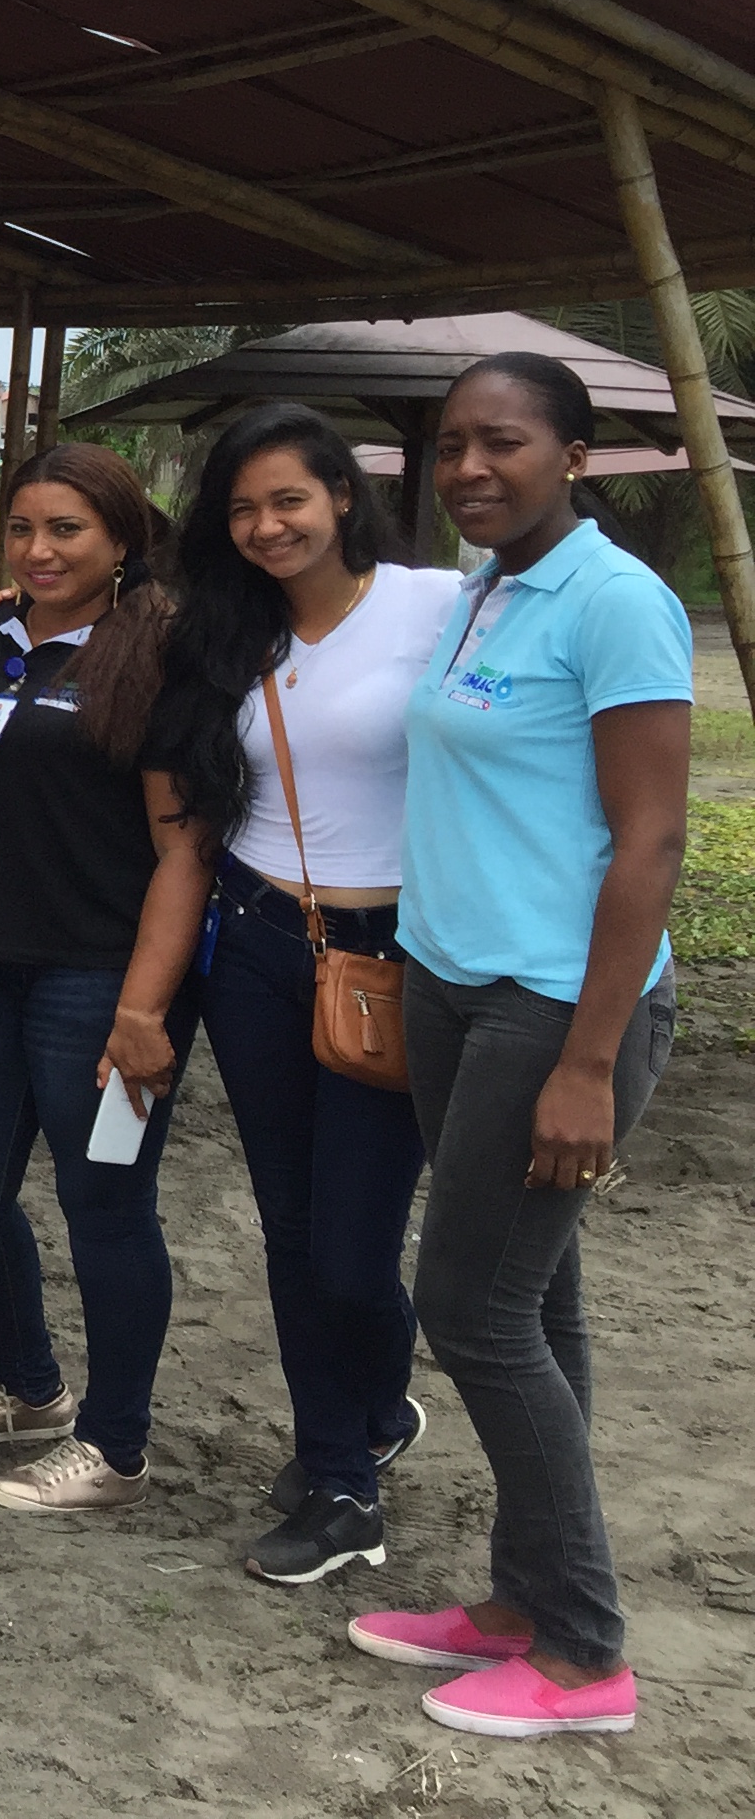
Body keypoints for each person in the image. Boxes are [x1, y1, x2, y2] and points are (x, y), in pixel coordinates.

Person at [347, 352, 686, 1741]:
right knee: (535, 1305)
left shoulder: (616, 601)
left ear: (576, 456)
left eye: (503, 444)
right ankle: (523, 1600)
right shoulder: (484, 587)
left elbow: (654, 839)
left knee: (472, 1310)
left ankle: (586, 1654)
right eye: (451, 449)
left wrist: (591, 1061)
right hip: (453, 982)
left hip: (556, 1002)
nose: (471, 469)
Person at [143, 404, 461, 1585]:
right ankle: (339, 1476)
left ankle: (376, 1399)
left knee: (352, 1247)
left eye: (288, 499)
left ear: (341, 493)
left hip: (398, 956)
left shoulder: (438, 606)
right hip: (263, 944)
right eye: (242, 509)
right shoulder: (225, 636)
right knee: (289, 1225)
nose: (267, 526)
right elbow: (192, 819)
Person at [0, 443, 198, 1512]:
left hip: (99, 983)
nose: (41, 548)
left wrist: (145, 1008)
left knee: (105, 1203)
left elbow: (181, 851)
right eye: (22, 527)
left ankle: (115, 1447)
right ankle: (31, 1391)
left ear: (121, 541)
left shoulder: (155, 655)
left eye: (68, 529)